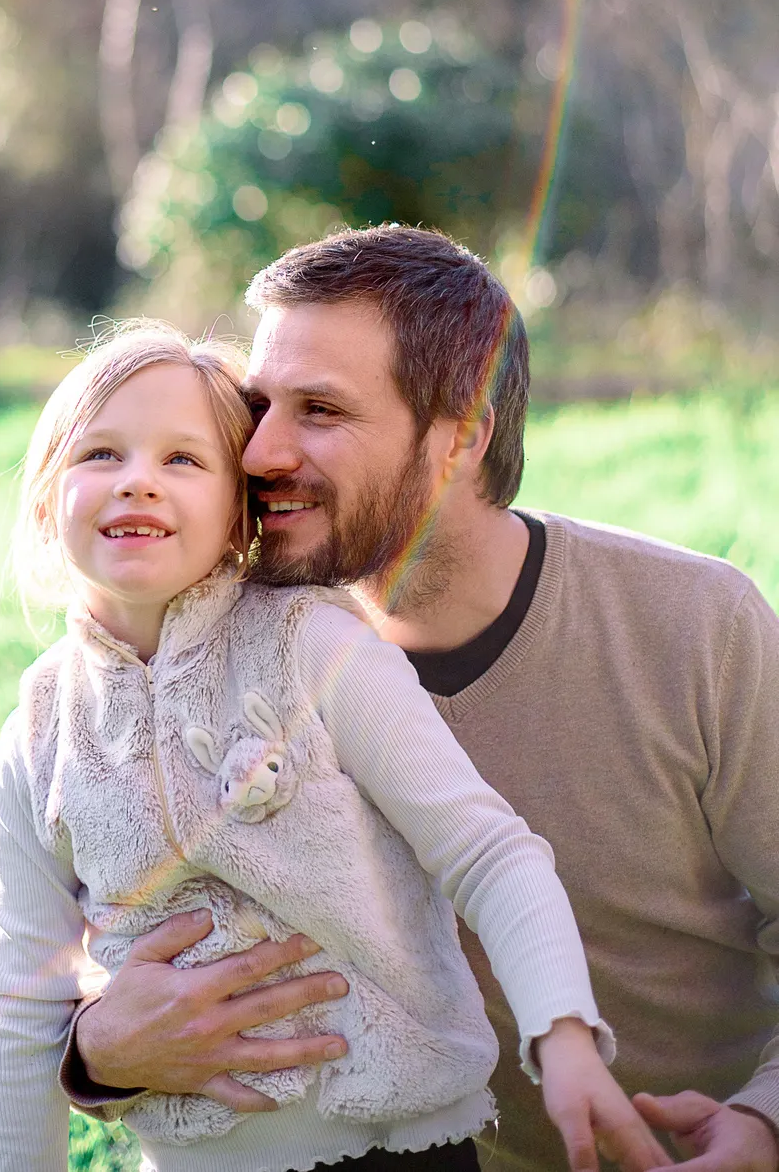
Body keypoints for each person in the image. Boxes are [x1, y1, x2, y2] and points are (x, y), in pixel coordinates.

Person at [64, 227, 779, 1172]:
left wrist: (767, 1122)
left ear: (463, 434)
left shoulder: (693, 624)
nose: (263, 449)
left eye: (319, 409)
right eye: (258, 405)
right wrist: (95, 1051)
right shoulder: (216, 649)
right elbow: (106, 906)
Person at [0, 321, 670, 1172]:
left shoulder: (311, 646)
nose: (139, 485)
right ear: (48, 499)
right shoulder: (42, 727)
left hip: (397, 1143)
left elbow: (489, 852)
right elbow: (21, 1004)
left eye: (183, 461)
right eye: (101, 455)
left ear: (240, 509)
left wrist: (562, 1038)